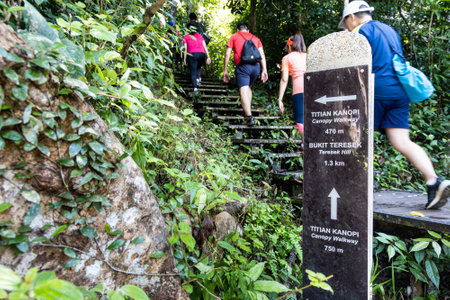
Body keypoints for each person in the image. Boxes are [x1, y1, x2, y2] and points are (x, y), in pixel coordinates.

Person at [338, 0, 449, 209]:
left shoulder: (359, 34)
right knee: (401, 141)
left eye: (346, 22)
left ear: (351, 17)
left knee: (353, 136)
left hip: (376, 90)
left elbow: (354, 70)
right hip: (399, 91)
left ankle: (352, 189)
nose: (347, 27)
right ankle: (434, 181)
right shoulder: (390, 30)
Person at [223, 21, 268, 126]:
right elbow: (262, 54)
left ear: (238, 29)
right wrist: (264, 69)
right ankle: (248, 110)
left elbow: (227, 53)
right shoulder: (256, 38)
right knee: (248, 88)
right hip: (256, 67)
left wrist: (225, 70)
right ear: (248, 30)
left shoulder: (234, 36)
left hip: (243, 67)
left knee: (243, 90)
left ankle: (249, 117)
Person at [277, 34, 307, 135]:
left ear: (290, 46)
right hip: (314, 88)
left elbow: (284, 79)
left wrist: (280, 99)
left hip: (299, 90)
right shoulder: (308, 56)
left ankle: (307, 148)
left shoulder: (287, 58)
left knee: (300, 121)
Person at [183, 23, 211, 94]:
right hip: (202, 54)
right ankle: (199, 78)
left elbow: (185, 49)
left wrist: (184, 60)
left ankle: (195, 88)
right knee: (199, 67)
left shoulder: (186, 37)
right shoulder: (200, 36)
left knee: (193, 71)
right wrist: (208, 57)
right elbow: (205, 47)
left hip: (192, 54)